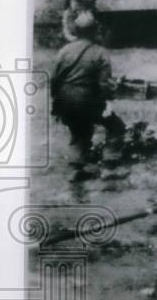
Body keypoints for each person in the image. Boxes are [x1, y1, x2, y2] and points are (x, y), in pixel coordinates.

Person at [50, 11, 124, 181]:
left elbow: (54, 80)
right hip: (87, 99)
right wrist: (107, 103)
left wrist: (57, 103)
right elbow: (104, 84)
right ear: (94, 31)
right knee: (116, 127)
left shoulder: (64, 51)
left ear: (76, 31)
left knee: (79, 132)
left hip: (65, 100)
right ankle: (109, 167)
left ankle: (76, 170)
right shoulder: (100, 52)